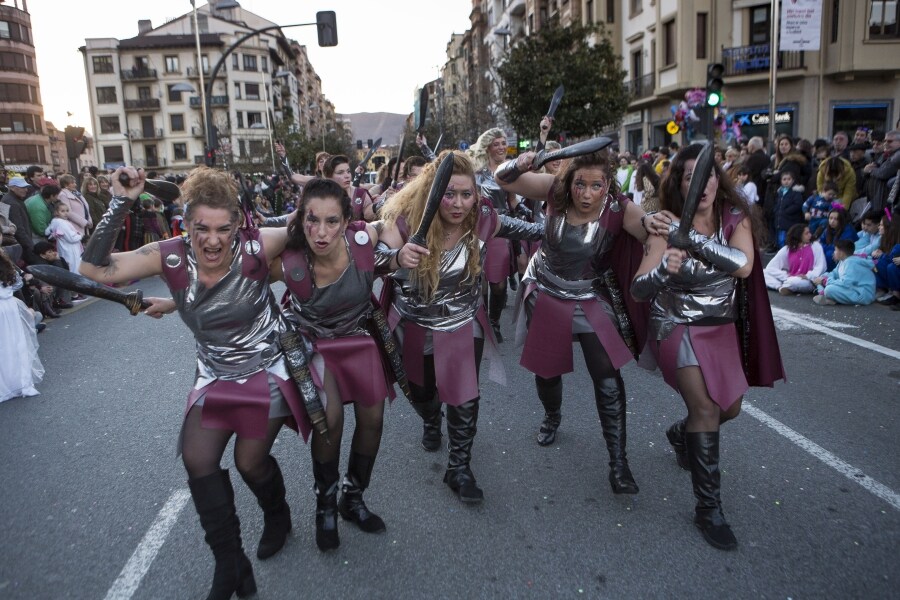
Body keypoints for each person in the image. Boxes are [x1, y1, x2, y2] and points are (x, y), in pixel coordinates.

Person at [79, 166, 309, 599]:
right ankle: (230, 563)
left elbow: (319, 230)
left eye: (224, 228)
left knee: (249, 462)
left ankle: (277, 515)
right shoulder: (168, 254)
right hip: (215, 374)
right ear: (186, 224)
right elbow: (94, 270)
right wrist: (121, 200)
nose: (213, 239)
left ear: (239, 226)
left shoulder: (261, 244)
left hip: (268, 370)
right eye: (201, 228)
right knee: (197, 459)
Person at [631, 143, 784, 551]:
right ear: (681, 185)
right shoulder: (663, 225)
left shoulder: (735, 218)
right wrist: (664, 268)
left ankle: (682, 435)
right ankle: (708, 509)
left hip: (721, 331)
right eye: (690, 177)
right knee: (706, 409)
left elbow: (745, 265)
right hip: (676, 328)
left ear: (717, 179)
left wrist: (693, 241)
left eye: (709, 174)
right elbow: (639, 287)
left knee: (728, 408)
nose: (702, 184)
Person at [494, 144, 671, 493]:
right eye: (580, 185)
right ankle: (552, 416)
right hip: (547, 290)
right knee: (547, 372)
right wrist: (521, 162)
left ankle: (618, 461)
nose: (587, 194)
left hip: (590, 295)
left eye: (596, 186)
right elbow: (504, 179)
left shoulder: (620, 208)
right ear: (569, 182)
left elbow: (654, 236)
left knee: (606, 374)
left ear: (608, 184)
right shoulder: (552, 191)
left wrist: (649, 251)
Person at [378, 150, 544, 504]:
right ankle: (429, 418)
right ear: (432, 193)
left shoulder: (483, 218)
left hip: (464, 321)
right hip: (415, 324)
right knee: (423, 394)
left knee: (465, 394)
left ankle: (459, 467)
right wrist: (395, 257)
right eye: (449, 194)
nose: (457, 203)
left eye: (466, 194)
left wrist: (568, 223)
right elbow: (375, 255)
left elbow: (533, 229)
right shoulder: (405, 221)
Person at [270, 177, 419, 552]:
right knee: (329, 422)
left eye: (332, 221)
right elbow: (231, 277)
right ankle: (326, 507)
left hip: (357, 341)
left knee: (373, 421)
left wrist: (397, 252)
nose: (321, 232)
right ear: (299, 219)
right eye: (312, 220)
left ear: (346, 220)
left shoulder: (362, 242)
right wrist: (178, 302)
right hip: (313, 347)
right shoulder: (287, 259)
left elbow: (387, 230)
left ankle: (353, 499)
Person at [467, 128, 519, 342]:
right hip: (477, 230)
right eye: (496, 143)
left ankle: (495, 320)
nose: (501, 147)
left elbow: (513, 202)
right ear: (488, 146)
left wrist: (523, 218)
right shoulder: (476, 172)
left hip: (500, 230)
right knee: (480, 282)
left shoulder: (509, 170)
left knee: (498, 285)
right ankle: (484, 323)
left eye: (503, 143)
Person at [0, 249, 44, 402]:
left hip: (6, 306)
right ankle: (20, 381)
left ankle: (7, 384)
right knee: (15, 343)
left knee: (6, 345)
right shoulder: (5, 261)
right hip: (9, 306)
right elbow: (17, 283)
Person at [763, 223, 826, 294]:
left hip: (806, 280)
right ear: (798, 235)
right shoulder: (787, 249)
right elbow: (771, 267)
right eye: (806, 233)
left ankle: (785, 285)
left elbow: (821, 267)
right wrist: (786, 275)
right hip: (789, 278)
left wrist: (807, 276)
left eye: (809, 232)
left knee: (795, 282)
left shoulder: (815, 246)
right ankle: (779, 287)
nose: (810, 235)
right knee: (763, 272)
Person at [812, 239, 876, 306]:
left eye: (835, 250)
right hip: (855, 289)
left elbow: (845, 283)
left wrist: (824, 281)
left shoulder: (851, 262)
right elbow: (834, 273)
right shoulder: (843, 261)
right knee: (829, 286)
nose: (834, 252)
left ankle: (833, 300)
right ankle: (833, 299)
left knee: (829, 289)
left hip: (863, 294)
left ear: (841, 252)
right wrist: (822, 277)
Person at [1, 177, 39, 264]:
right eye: (22, 187)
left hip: (19, 244)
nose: (26, 190)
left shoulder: (12, 199)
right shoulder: (12, 203)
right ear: (13, 188)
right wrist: (31, 246)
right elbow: (19, 229)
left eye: (26, 187)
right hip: (21, 246)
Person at [44, 202, 83, 275]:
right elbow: (71, 238)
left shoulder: (55, 221)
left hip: (63, 246)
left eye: (67, 211)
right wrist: (80, 235)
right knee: (73, 267)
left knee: (66, 264)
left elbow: (47, 232)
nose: (65, 213)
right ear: (56, 212)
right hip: (71, 249)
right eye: (62, 211)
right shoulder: (62, 223)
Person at [772, 170, 806, 248]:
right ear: (781, 181)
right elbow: (777, 203)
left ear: (793, 180)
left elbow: (798, 204)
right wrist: (776, 210)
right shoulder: (780, 192)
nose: (786, 181)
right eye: (784, 179)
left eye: (789, 179)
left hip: (790, 221)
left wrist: (787, 211)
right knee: (780, 241)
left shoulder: (795, 192)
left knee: (786, 241)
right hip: (780, 221)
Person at [874, 214, 900, 307]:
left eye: (881, 225)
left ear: (889, 227)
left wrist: (883, 255)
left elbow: (892, 257)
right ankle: (884, 290)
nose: (879, 227)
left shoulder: (897, 243)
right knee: (875, 263)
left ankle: (896, 294)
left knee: (891, 267)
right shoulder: (884, 239)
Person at [57, 174, 92, 241]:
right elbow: (67, 212)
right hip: (75, 226)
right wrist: (83, 222)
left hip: (84, 226)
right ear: (65, 184)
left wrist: (89, 221)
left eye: (75, 182)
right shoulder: (63, 195)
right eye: (72, 183)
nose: (75, 184)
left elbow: (85, 207)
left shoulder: (77, 193)